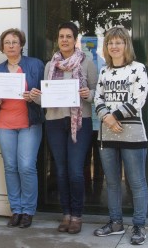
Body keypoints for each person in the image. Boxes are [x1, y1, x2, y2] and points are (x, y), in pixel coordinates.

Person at [37, 22, 97, 234]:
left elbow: (96, 93)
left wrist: (87, 94)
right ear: (58, 39)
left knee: (75, 171)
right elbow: (48, 96)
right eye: (61, 36)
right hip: (54, 121)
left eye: (68, 36)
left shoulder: (87, 63)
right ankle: (66, 214)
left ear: (75, 39)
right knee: (60, 172)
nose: (64, 40)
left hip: (80, 122)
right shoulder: (49, 65)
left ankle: (77, 215)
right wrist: (38, 97)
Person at [93, 26, 148, 245]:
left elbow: (138, 100)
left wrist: (113, 116)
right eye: (110, 43)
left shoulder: (138, 69)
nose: (114, 46)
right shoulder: (104, 71)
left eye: (118, 42)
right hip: (107, 136)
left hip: (133, 134)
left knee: (136, 183)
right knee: (112, 182)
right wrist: (106, 118)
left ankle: (139, 226)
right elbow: (98, 98)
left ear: (126, 45)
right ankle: (115, 223)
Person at [0, 28, 44, 229]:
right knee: (10, 167)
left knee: (26, 166)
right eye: (7, 42)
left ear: (21, 45)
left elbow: (46, 93)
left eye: (15, 42)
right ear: (2, 47)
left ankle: (28, 210)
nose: (11, 46)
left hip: (29, 122)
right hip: (5, 124)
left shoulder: (35, 65)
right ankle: (16, 209)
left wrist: (35, 96)